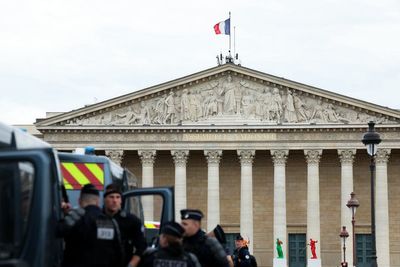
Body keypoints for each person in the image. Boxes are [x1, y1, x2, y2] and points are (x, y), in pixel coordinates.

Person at [61, 184, 121, 267]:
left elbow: (57, 232)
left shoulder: (74, 219)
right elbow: (119, 254)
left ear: (79, 201)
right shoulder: (110, 222)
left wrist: (65, 213)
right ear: (98, 201)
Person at [103, 183, 147, 267]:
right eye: (111, 197)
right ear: (105, 199)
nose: (115, 200)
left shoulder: (131, 221)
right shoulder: (97, 218)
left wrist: (132, 264)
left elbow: (141, 246)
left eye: (118, 197)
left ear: (121, 200)